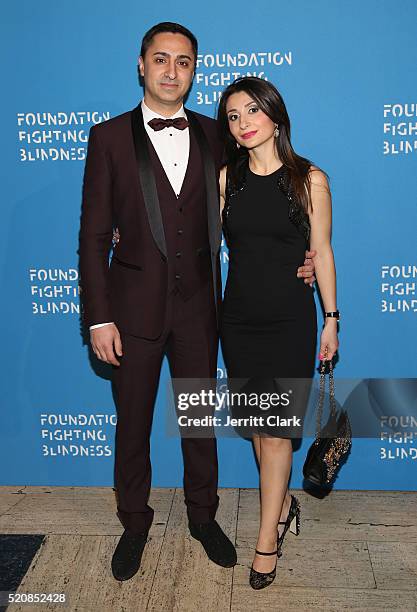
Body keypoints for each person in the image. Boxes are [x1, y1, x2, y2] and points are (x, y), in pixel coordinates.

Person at [79, 23, 316, 582]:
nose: (170, 71)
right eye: (160, 59)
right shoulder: (108, 138)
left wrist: (303, 257)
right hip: (130, 312)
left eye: (183, 62)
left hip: (201, 311)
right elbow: (93, 237)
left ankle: (203, 517)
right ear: (141, 65)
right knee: (132, 423)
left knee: (196, 421)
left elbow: (272, 191)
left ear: (193, 70)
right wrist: (98, 316)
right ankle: (134, 523)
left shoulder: (218, 134)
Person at [218, 76, 339, 589]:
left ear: (274, 114)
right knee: (261, 431)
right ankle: (282, 503)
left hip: (291, 321)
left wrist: (332, 317)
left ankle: (267, 539)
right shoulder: (226, 179)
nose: (243, 123)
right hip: (239, 321)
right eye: (232, 116)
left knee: (276, 433)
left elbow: (324, 250)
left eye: (251, 111)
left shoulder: (309, 178)